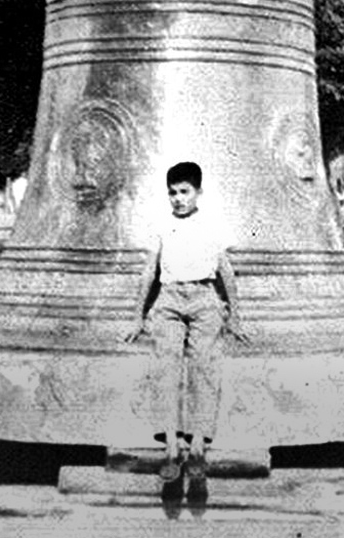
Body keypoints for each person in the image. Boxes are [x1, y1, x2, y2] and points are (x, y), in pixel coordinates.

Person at [125, 161, 249, 482]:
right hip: (169, 300)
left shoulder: (212, 225)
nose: (178, 198)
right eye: (173, 193)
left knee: (204, 370)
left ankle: (196, 447)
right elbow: (149, 272)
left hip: (204, 298)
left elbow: (227, 274)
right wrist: (138, 316)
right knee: (165, 369)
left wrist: (235, 316)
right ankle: (170, 447)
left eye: (184, 191)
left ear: (198, 193)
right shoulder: (162, 226)